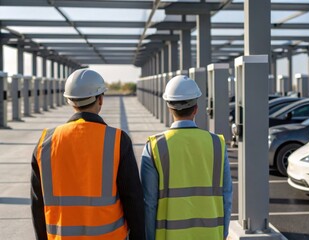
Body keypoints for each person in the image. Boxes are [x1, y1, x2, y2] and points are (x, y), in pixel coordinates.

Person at [30, 69, 146, 240]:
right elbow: (133, 198)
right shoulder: (118, 140)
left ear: (70, 100)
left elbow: (37, 203)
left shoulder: (45, 143)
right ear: (100, 99)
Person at [140, 75, 233, 240]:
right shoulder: (217, 144)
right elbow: (226, 195)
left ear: (169, 107)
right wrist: (223, 233)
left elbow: (149, 203)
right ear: (196, 108)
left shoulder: (154, 146)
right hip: (210, 234)